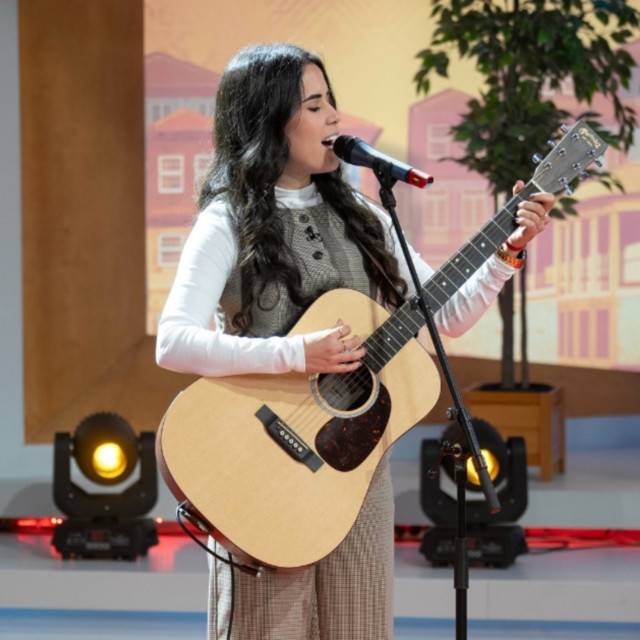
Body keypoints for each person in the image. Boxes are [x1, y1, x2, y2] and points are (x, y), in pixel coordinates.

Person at [155, 43, 554, 640]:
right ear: (269, 120)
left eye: (331, 101)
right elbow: (173, 342)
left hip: (356, 478)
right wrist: (296, 354)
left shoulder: (366, 215)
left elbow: (447, 316)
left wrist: (505, 255)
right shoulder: (226, 221)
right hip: (260, 471)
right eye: (314, 105)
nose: (335, 117)